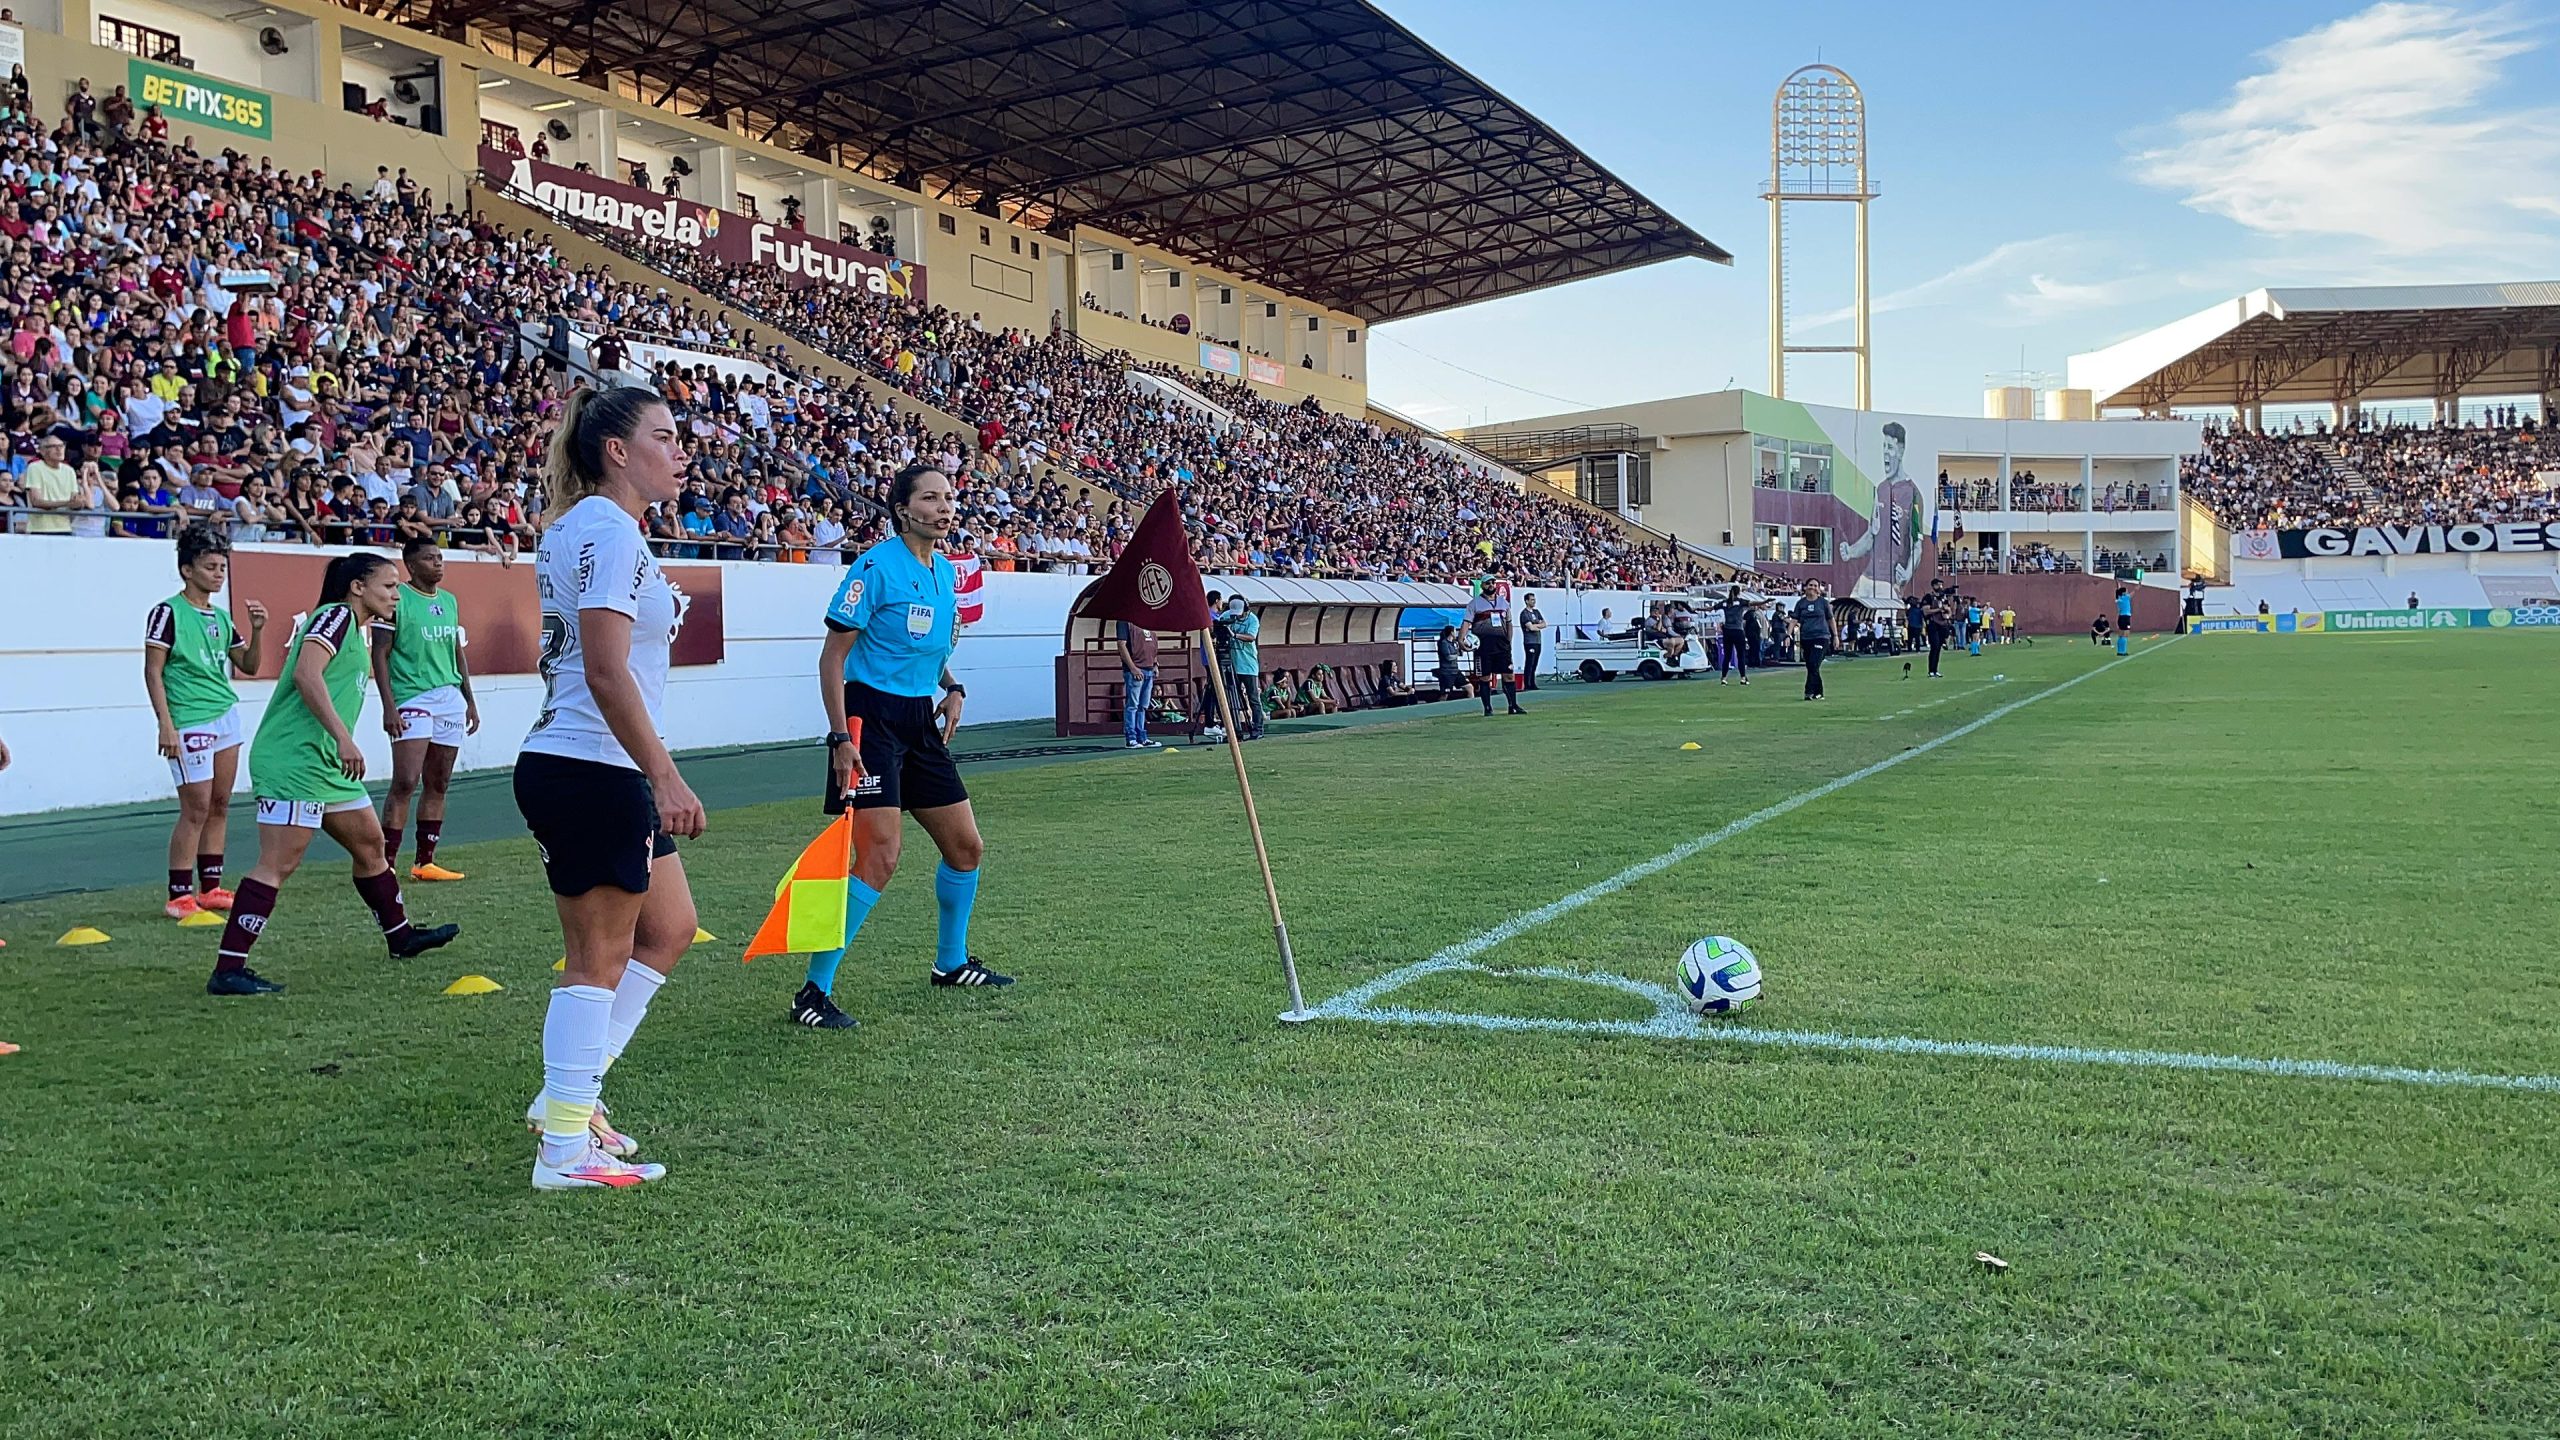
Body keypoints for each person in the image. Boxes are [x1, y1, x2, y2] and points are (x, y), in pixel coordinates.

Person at [513, 385, 705, 1190]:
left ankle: (570, 1098)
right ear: (618, 452)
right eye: (664, 436)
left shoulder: (590, 530)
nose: (681, 450)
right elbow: (602, 667)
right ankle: (562, 1150)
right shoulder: (608, 534)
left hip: (589, 762)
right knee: (596, 956)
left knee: (670, 928)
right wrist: (662, 772)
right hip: (593, 765)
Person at [797, 462, 1007, 1034]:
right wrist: (841, 739)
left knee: (966, 848)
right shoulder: (874, 568)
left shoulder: (943, 574)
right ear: (903, 509)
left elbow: (931, 650)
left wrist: (953, 687)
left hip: (920, 722)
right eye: (932, 498)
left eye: (950, 497)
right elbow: (832, 660)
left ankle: (951, 963)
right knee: (879, 859)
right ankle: (813, 992)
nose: (945, 507)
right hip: (870, 723)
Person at [207, 553, 460, 999]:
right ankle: (229, 968)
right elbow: (307, 673)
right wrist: (344, 738)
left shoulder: (353, 627)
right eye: (388, 587)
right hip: (296, 761)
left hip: (324, 764)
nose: (396, 596)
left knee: (370, 845)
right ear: (357, 587)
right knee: (279, 863)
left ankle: (401, 937)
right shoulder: (337, 616)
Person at [143, 527, 268, 919]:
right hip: (188, 718)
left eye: (222, 566)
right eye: (210, 566)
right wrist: (165, 723)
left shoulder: (221, 617)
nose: (219, 574)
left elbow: (248, 665)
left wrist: (259, 630)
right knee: (195, 807)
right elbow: (152, 671)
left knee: (220, 802)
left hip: (224, 715)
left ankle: (211, 887)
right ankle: (178, 893)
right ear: (186, 570)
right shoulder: (167, 612)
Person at [372, 537, 479, 883]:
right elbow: (380, 654)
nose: (438, 563)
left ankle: (424, 862)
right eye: (430, 558)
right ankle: (385, 864)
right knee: (405, 781)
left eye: (440, 558)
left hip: (449, 698)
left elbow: (456, 652)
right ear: (411, 565)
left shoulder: (449, 601)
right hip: (412, 698)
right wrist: (389, 706)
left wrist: (469, 699)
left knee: (440, 781)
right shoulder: (397, 600)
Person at [1468, 574, 1524, 716]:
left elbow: (1509, 623)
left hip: (1502, 645)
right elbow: (1466, 623)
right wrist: (1462, 640)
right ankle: (1487, 708)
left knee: (1508, 675)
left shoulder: (1503, 603)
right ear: (1482, 586)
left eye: (1493, 582)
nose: (1491, 585)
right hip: (1483, 646)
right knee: (1484, 677)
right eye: (1488, 583)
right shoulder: (1474, 603)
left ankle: (1513, 705)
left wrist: (1509, 641)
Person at [1117, 617, 1160, 749]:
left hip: (1148, 669)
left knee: (1143, 706)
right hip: (1136, 670)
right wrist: (1132, 668)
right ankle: (1131, 738)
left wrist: (1155, 664)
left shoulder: (1147, 620)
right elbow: (1121, 644)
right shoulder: (1124, 621)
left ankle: (1142, 736)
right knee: (1133, 705)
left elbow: (1152, 644)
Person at [1225, 594, 1264, 739]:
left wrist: (1234, 635)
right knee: (1231, 697)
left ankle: (1257, 728)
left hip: (1248, 666)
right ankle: (1234, 728)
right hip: (1231, 665)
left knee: (1253, 698)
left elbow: (1251, 637)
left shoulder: (1253, 620)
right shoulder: (1228, 615)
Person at [1793, 578, 1834, 700]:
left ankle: (1808, 691)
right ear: (1805, 587)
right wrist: (1788, 634)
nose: (1813, 587)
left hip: (1821, 637)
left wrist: (1835, 636)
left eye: (1816, 585)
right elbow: (1794, 619)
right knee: (1811, 666)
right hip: (1806, 637)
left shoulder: (1823, 603)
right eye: (1810, 585)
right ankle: (1819, 692)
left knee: (1813, 663)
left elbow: (1831, 619)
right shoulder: (1801, 603)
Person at [1718, 585, 1752, 685]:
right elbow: (1753, 603)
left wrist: (1699, 609)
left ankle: (1723, 678)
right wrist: (1765, 602)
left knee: (1727, 656)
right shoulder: (1740, 601)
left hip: (1727, 632)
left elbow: (1712, 607)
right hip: (1738, 631)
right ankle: (1742, 678)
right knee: (1741, 655)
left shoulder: (1725, 602)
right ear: (1739, 592)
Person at [1519, 592, 1546, 690]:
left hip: (1538, 641)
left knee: (1535, 663)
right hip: (1530, 641)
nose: (1534, 602)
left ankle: (1532, 683)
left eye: (1534, 600)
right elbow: (1530, 627)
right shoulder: (1524, 614)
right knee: (1529, 662)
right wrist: (1537, 626)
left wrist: (1536, 626)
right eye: (1532, 600)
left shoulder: (1536, 612)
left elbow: (1544, 624)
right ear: (1526, 601)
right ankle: (1527, 684)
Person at [2115, 584, 2134, 655]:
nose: (2127, 592)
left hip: (2120, 617)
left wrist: (2117, 583)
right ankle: (2123, 651)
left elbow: (2118, 589)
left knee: (2120, 635)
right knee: (2126, 634)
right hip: (2126, 617)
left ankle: (2119, 651)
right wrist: (2138, 586)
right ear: (2123, 592)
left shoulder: (2119, 598)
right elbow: (2134, 592)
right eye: (2126, 591)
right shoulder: (2126, 597)